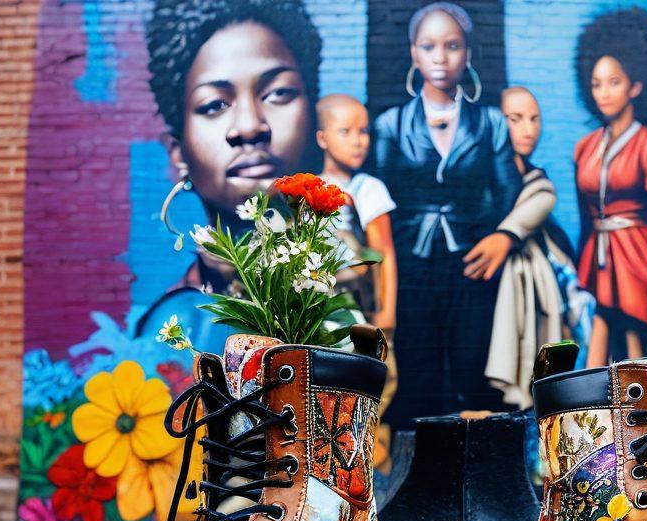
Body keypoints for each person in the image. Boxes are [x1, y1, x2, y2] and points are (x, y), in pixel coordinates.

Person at [135, 0, 323, 348]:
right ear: (178, 153)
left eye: (278, 93)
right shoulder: (178, 325)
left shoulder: (346, 283)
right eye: (214, 105)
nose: (250, 126)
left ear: (316, 123)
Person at [369, 1, 522, 425]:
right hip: (411, 268)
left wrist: (496, 236)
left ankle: (475, 476)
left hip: (474, 266)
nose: (440, 56)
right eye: (429, 46)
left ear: (467, 53)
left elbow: (509, 191)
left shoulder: (490, 123)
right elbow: (379, 198)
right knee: (418, 376)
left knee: (473, 371)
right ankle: (419, 479)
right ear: (414, 53)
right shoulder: (390, 125)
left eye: (452, 45)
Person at [573, 9, 647, 370]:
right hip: (599, 255)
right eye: (596, 84)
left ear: (635, 86)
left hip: (641, 261)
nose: (603, 93)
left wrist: (643, 269)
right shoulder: (585, 147)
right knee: (602, 336)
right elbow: (584, 217)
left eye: (614, 82)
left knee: (643, 347)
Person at [486, 86, 594, 408]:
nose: (528, 129)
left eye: (535, 119)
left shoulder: (539, 184)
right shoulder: (487, 180)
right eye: (515, 119)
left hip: (542, 297)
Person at [317, 92, 400, 470]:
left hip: (360, 308)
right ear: (322, 138)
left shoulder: (368, 188)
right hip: (322, 310)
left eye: (363, 131)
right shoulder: (310, 187)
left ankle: (372, 469)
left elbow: (383, 252)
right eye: (346, 130)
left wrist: (386, 311)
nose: (357, 139)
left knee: (375, 388)